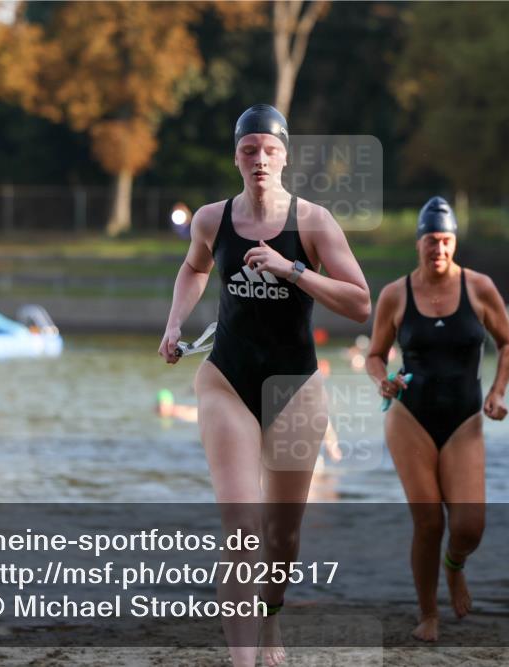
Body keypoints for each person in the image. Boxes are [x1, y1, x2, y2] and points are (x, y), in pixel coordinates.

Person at [158, 104, 370, 667]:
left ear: (284, 156)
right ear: (236, 157)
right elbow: (194, 268)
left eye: (269, 150)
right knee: (242, 530)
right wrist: (176, 321)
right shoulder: (212, 218)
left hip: (296, 387)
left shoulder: (315, 222)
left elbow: (360, 302)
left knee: (281, 545)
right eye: (249, 150)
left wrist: (291, 269)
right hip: (227, 379)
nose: (259, 159)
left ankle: (271, 617)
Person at [365, 196, 509, 641]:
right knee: (429, 521)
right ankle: (428, 614)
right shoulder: (396, 294)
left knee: (469, 525)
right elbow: (375, 355)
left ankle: (456, 566)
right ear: (418, 243)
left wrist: (498, 392)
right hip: (410, 418)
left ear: (455, 243)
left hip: (464, 418)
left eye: (447, 241)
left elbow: (508, 343)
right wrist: (382, 380)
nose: (439, 250)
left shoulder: (479, 288)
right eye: (431, 241)